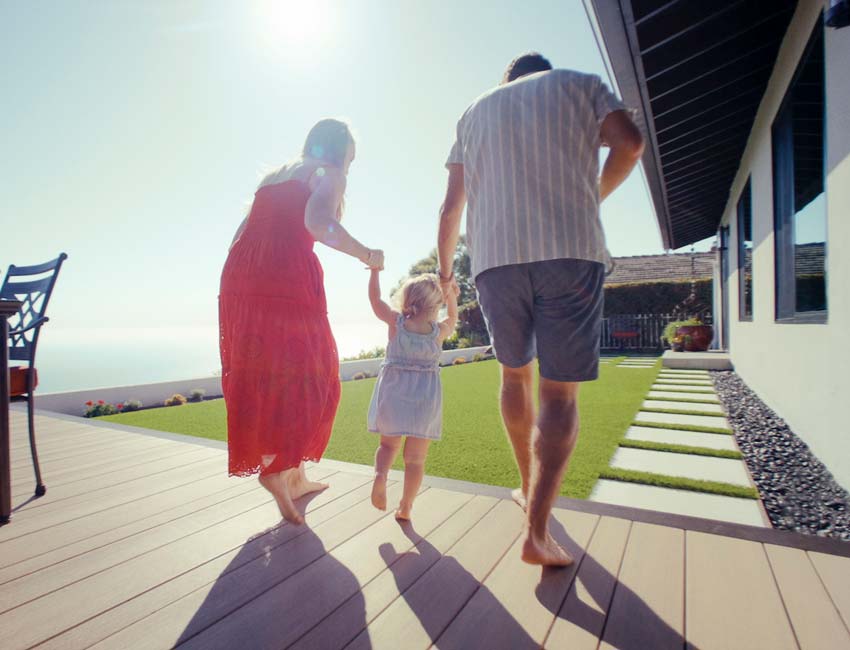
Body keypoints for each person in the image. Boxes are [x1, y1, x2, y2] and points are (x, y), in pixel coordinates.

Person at [437, 53, 644, 565]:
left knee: (513, 379)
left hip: (494, 260)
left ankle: (526, 489)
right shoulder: (579, 85)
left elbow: (450, 208)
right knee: (559, 394)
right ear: (545, 71)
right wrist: (592, 195)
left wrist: (445, 277)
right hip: (570, 251)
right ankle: (536, 531)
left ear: (506, 79)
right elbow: (630, 143)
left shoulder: (473, 112)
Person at [219, 118, 385, 524]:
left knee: (272, 375)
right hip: (286, 279)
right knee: (317, 376)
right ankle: (278, 471)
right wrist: (368, 255)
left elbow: (244, 232)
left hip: (241, 277)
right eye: (351, 157)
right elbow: (317, 223)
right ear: (340, 151)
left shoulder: (275, 176)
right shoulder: (328, 173)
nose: (350, 165)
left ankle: (295, 478)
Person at [366, 271, 458, 520]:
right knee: (416, 460)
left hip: (394, 395)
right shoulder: (439, 331)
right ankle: (406, 506)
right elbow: (453, 317)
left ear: (407, 299)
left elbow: (375, 301)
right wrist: (452, 296)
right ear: (435, 303)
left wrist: (375, 273)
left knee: (387, 446)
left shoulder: (396, 324)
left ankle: (380, 476)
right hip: (424, 400)